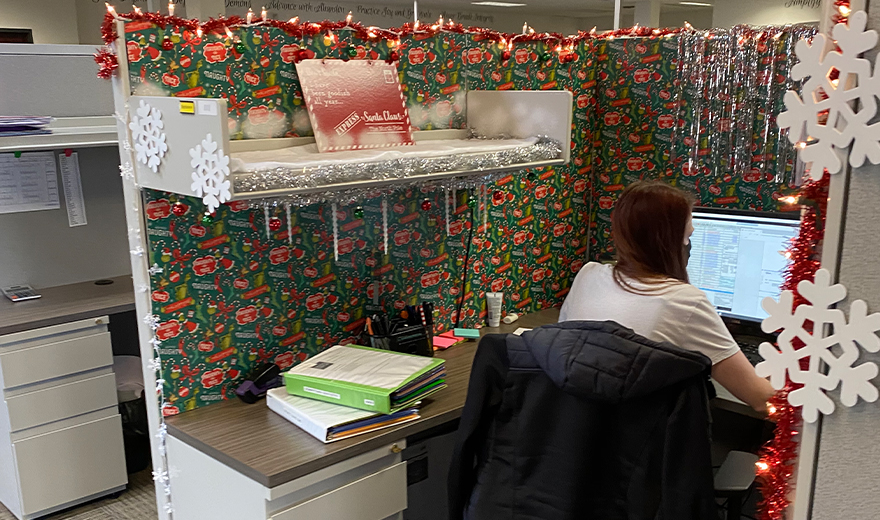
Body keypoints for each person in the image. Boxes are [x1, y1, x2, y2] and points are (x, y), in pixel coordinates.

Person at [559, 181, 775, 413]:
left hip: (573, 432)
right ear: (672, 241)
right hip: (642, 441)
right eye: (687, 235)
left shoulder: (588, 275)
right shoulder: (685, 301)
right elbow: (762, 400)